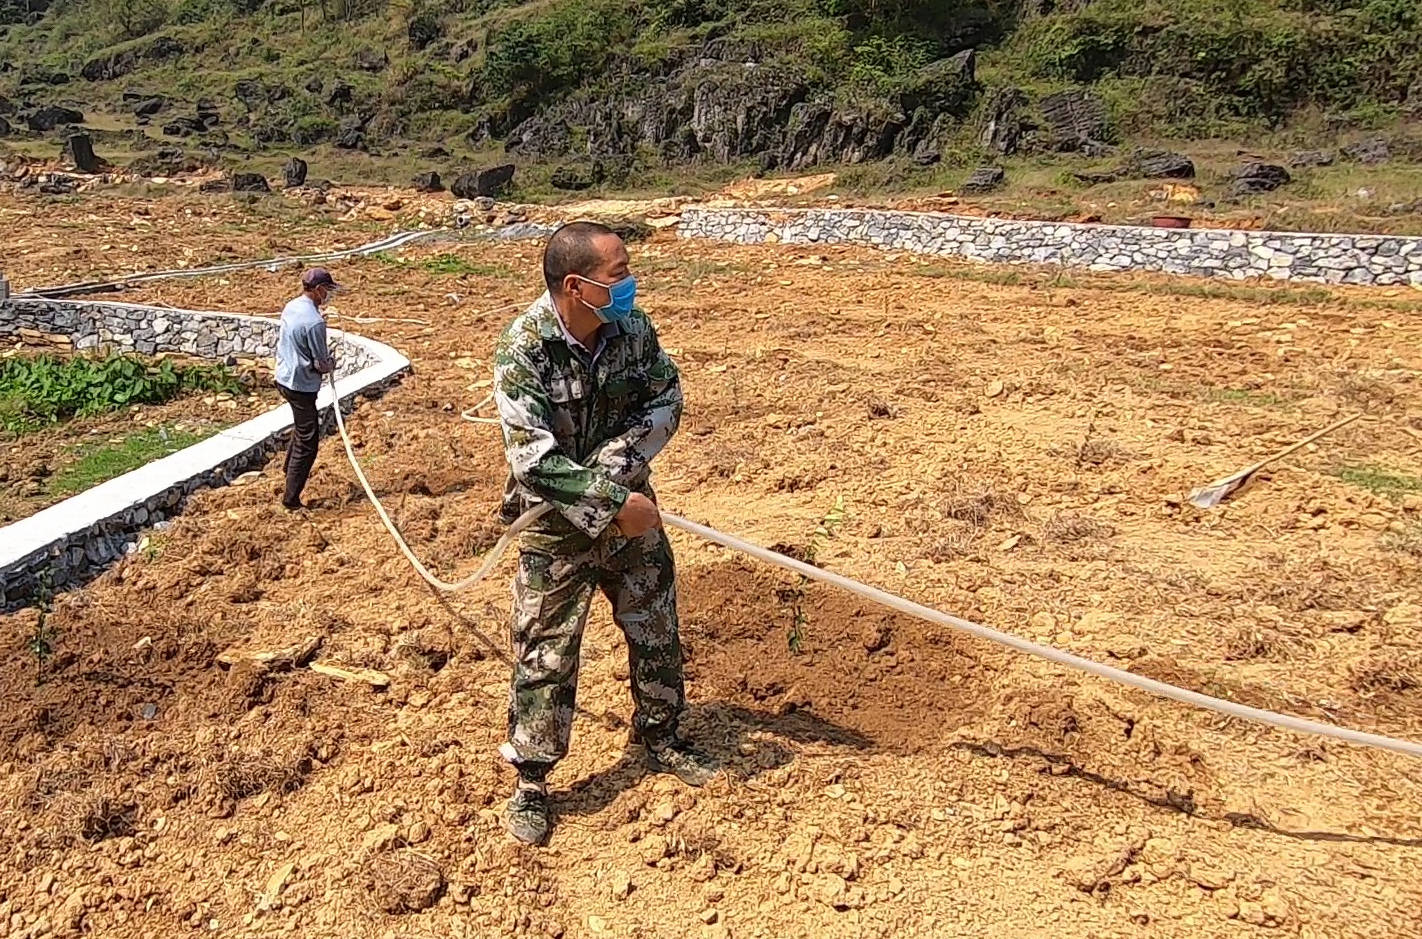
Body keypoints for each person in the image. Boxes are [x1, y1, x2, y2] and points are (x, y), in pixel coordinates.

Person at [492, 221, 718, 846]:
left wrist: (616, 483)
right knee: (547, 652)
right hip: (556, 531)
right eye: (618, 273)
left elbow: (666, 398)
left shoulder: (632, 330)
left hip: (632, 515)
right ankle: (533, 781)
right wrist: (613, 500)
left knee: (656, 623)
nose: (629, 283)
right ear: (577, 285)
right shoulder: (523, 351)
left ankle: (663, 736)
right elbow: (532, 460)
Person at [274, 267, 339, 510]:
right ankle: (291, 500)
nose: (329, 295)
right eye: (328, 290)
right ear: (319, 289)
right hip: (301, 385)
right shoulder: (314, 323)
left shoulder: (292, 306)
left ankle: (287, 469)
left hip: (284, 377)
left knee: (302, 427)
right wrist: (331, 364)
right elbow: (321, 363)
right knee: (308, 441)